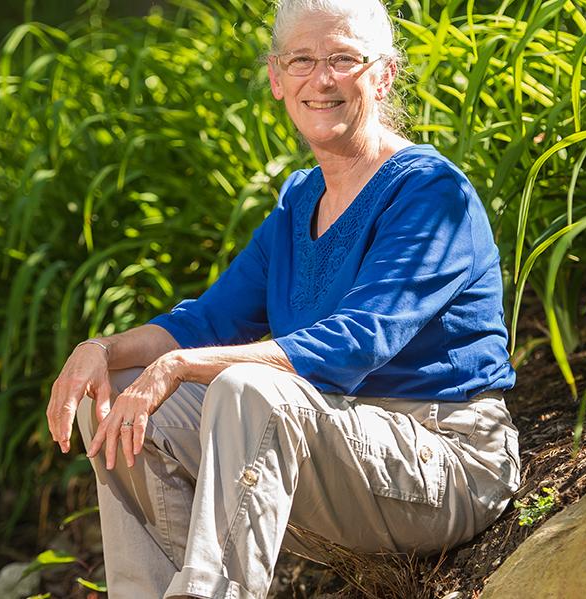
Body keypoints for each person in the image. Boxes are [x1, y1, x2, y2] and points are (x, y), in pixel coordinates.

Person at [46, 0, 520, 597]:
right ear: (276, 78)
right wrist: (102, 350)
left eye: (344, 58)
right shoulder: (302, 201)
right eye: (302, 59)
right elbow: (208, 320)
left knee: (248, 387)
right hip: (333, 450)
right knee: (122, 400)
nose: (321, 79)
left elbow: (356, 342)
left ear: (383, 74)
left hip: (446, 464)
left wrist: (182, 366)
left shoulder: (430, 192)